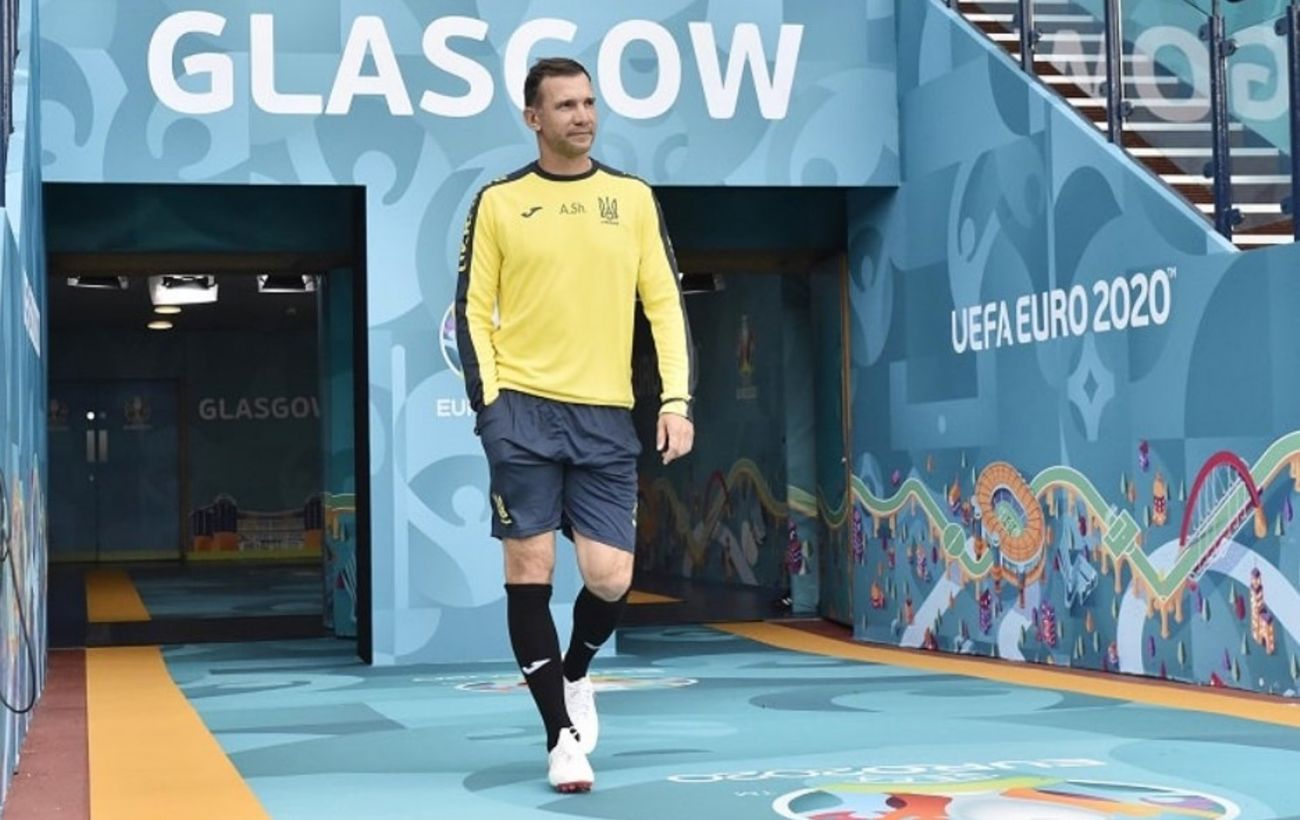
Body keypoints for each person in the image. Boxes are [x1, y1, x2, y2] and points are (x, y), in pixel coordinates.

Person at [455, 57, 696, 793]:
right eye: (564, 105)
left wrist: (677, 400)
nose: (582, 115)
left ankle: (577, 670)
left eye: (589, 102)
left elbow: (664, 305)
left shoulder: (632, 198)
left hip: (604, 415)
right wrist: (490, 407)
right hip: (522, 411)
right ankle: (559, 737)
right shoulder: (499, 202)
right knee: (530, 569)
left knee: (610, 575)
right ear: (534, 118)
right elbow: (472, 308)